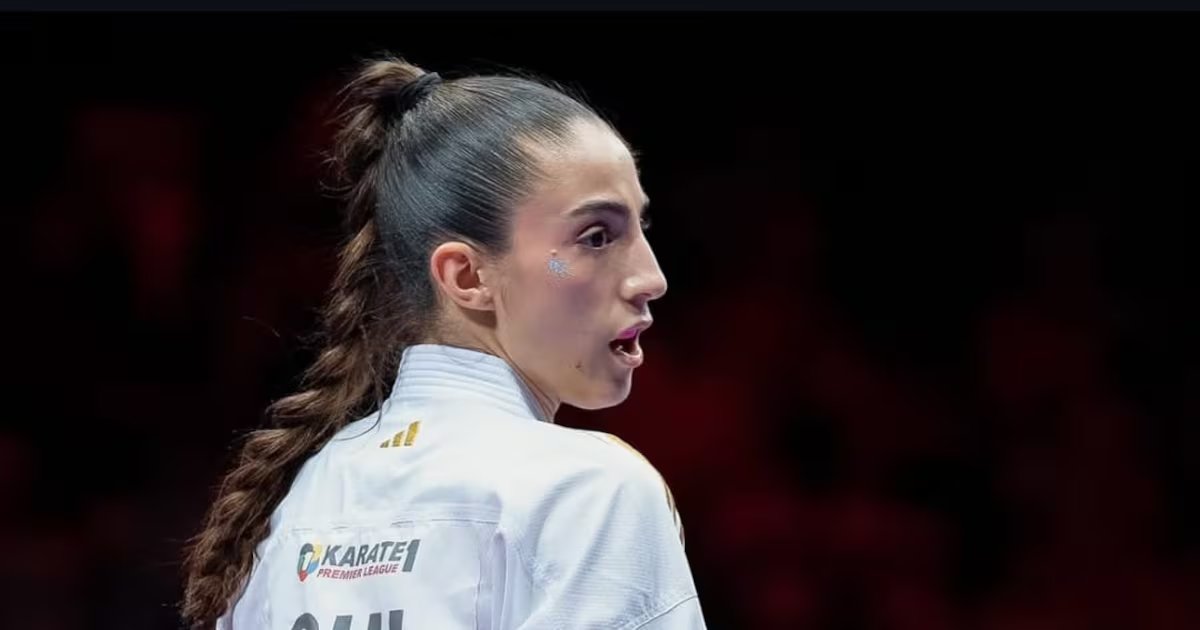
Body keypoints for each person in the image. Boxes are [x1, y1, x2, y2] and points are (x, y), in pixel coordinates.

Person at [181, 54, 705, 630]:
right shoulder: (589, 492)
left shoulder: (290, 503)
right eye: (597, 237)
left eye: (640, 228)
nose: (650, 278)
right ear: (467, 276)